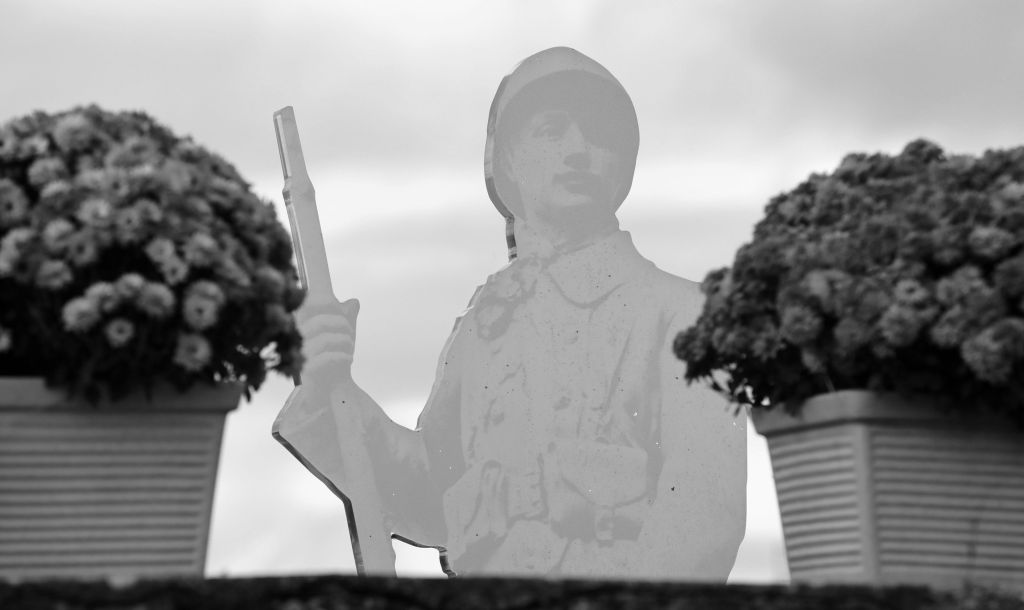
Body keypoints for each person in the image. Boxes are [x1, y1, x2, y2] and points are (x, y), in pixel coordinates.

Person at [279, 47, 746, 580]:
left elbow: (702, 518)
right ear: (508, 160)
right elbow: (433, 496)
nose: (578, 151)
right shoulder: (486, 327)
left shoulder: (684, 314)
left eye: (598, 134)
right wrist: (328, 387)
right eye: (551, 131)